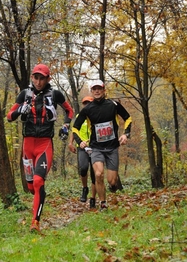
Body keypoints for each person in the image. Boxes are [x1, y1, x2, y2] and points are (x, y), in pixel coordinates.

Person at [7, 64, 74, 232]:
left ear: (48, 79)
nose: (38, 81)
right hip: (27, 145)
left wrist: (66, 126)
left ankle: (35, 222)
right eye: (36, 77)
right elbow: (9, 116)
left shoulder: (55, 94)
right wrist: (20, 110)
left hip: (44, 144)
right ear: (32, 77)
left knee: (38, 182)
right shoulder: (24, 94)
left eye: (42, 78)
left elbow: (69, 111)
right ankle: (35, 203)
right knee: (31, 187)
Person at [72, 79, 132, 211]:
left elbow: (128, 118)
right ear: (92, 91)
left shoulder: (113, 105)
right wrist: (79, 141)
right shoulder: (87, 109)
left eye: (99, 88)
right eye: (94, 89)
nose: (97, 91)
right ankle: (103, 203)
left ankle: (112, 186)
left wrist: (125, 134)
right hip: (96, 148)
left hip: (112, 148)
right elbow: (75, 128)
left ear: (104, 90)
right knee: (98, 174)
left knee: (112, 181)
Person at [68, 96, 97, 208]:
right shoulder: (79, 117)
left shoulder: (97, 116)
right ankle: (85, 188)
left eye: (89, 103)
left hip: (95, 147)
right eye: (85, 103)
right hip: (82, 147)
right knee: (83, 168)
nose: (87, 105)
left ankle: (93, 199)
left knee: (95, 174)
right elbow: (74, 130)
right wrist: (71, 143)